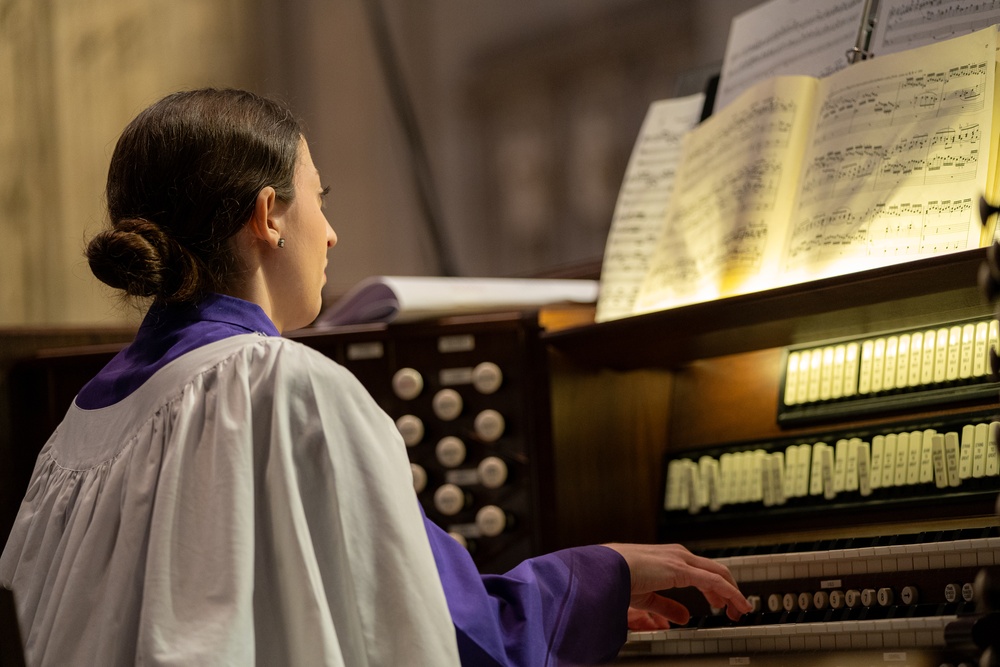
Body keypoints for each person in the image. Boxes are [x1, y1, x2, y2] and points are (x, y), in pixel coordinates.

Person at [0, 88, 750, 666]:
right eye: (320, 199)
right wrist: (603, 574)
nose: (331, 232)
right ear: (269, 215)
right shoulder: (284, 389)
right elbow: (444, 636)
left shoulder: (75, 432)